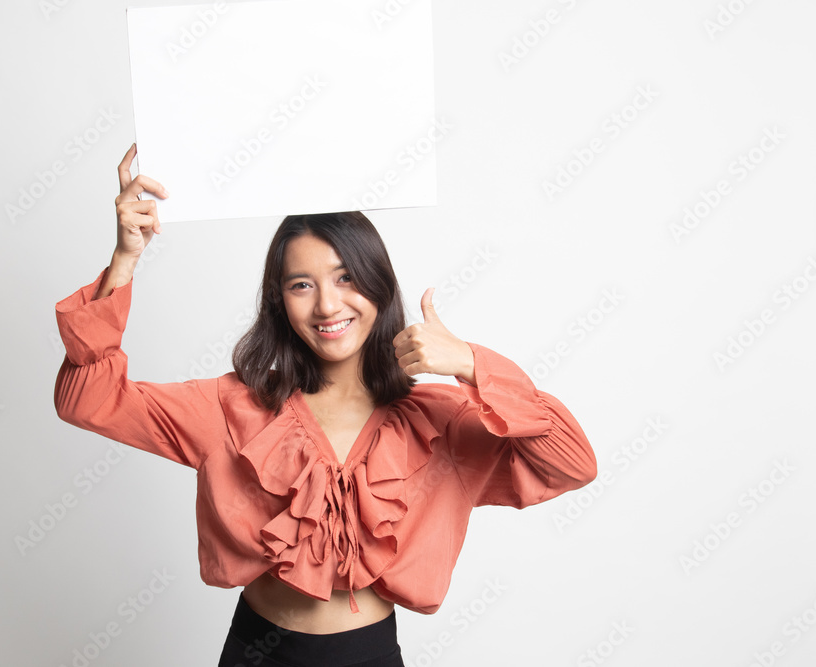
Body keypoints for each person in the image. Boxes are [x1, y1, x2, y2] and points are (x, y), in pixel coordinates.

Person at [54, 144, 598, 666]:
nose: (328, 305)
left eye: (346, 278)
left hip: (369, 656)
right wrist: (124, 260)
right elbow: (89, 398)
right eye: (301, 285)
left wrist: (472, 364)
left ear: (379, 285)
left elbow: (572, 464)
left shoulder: (439, 421)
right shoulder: (233, 406)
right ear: (280, 301)